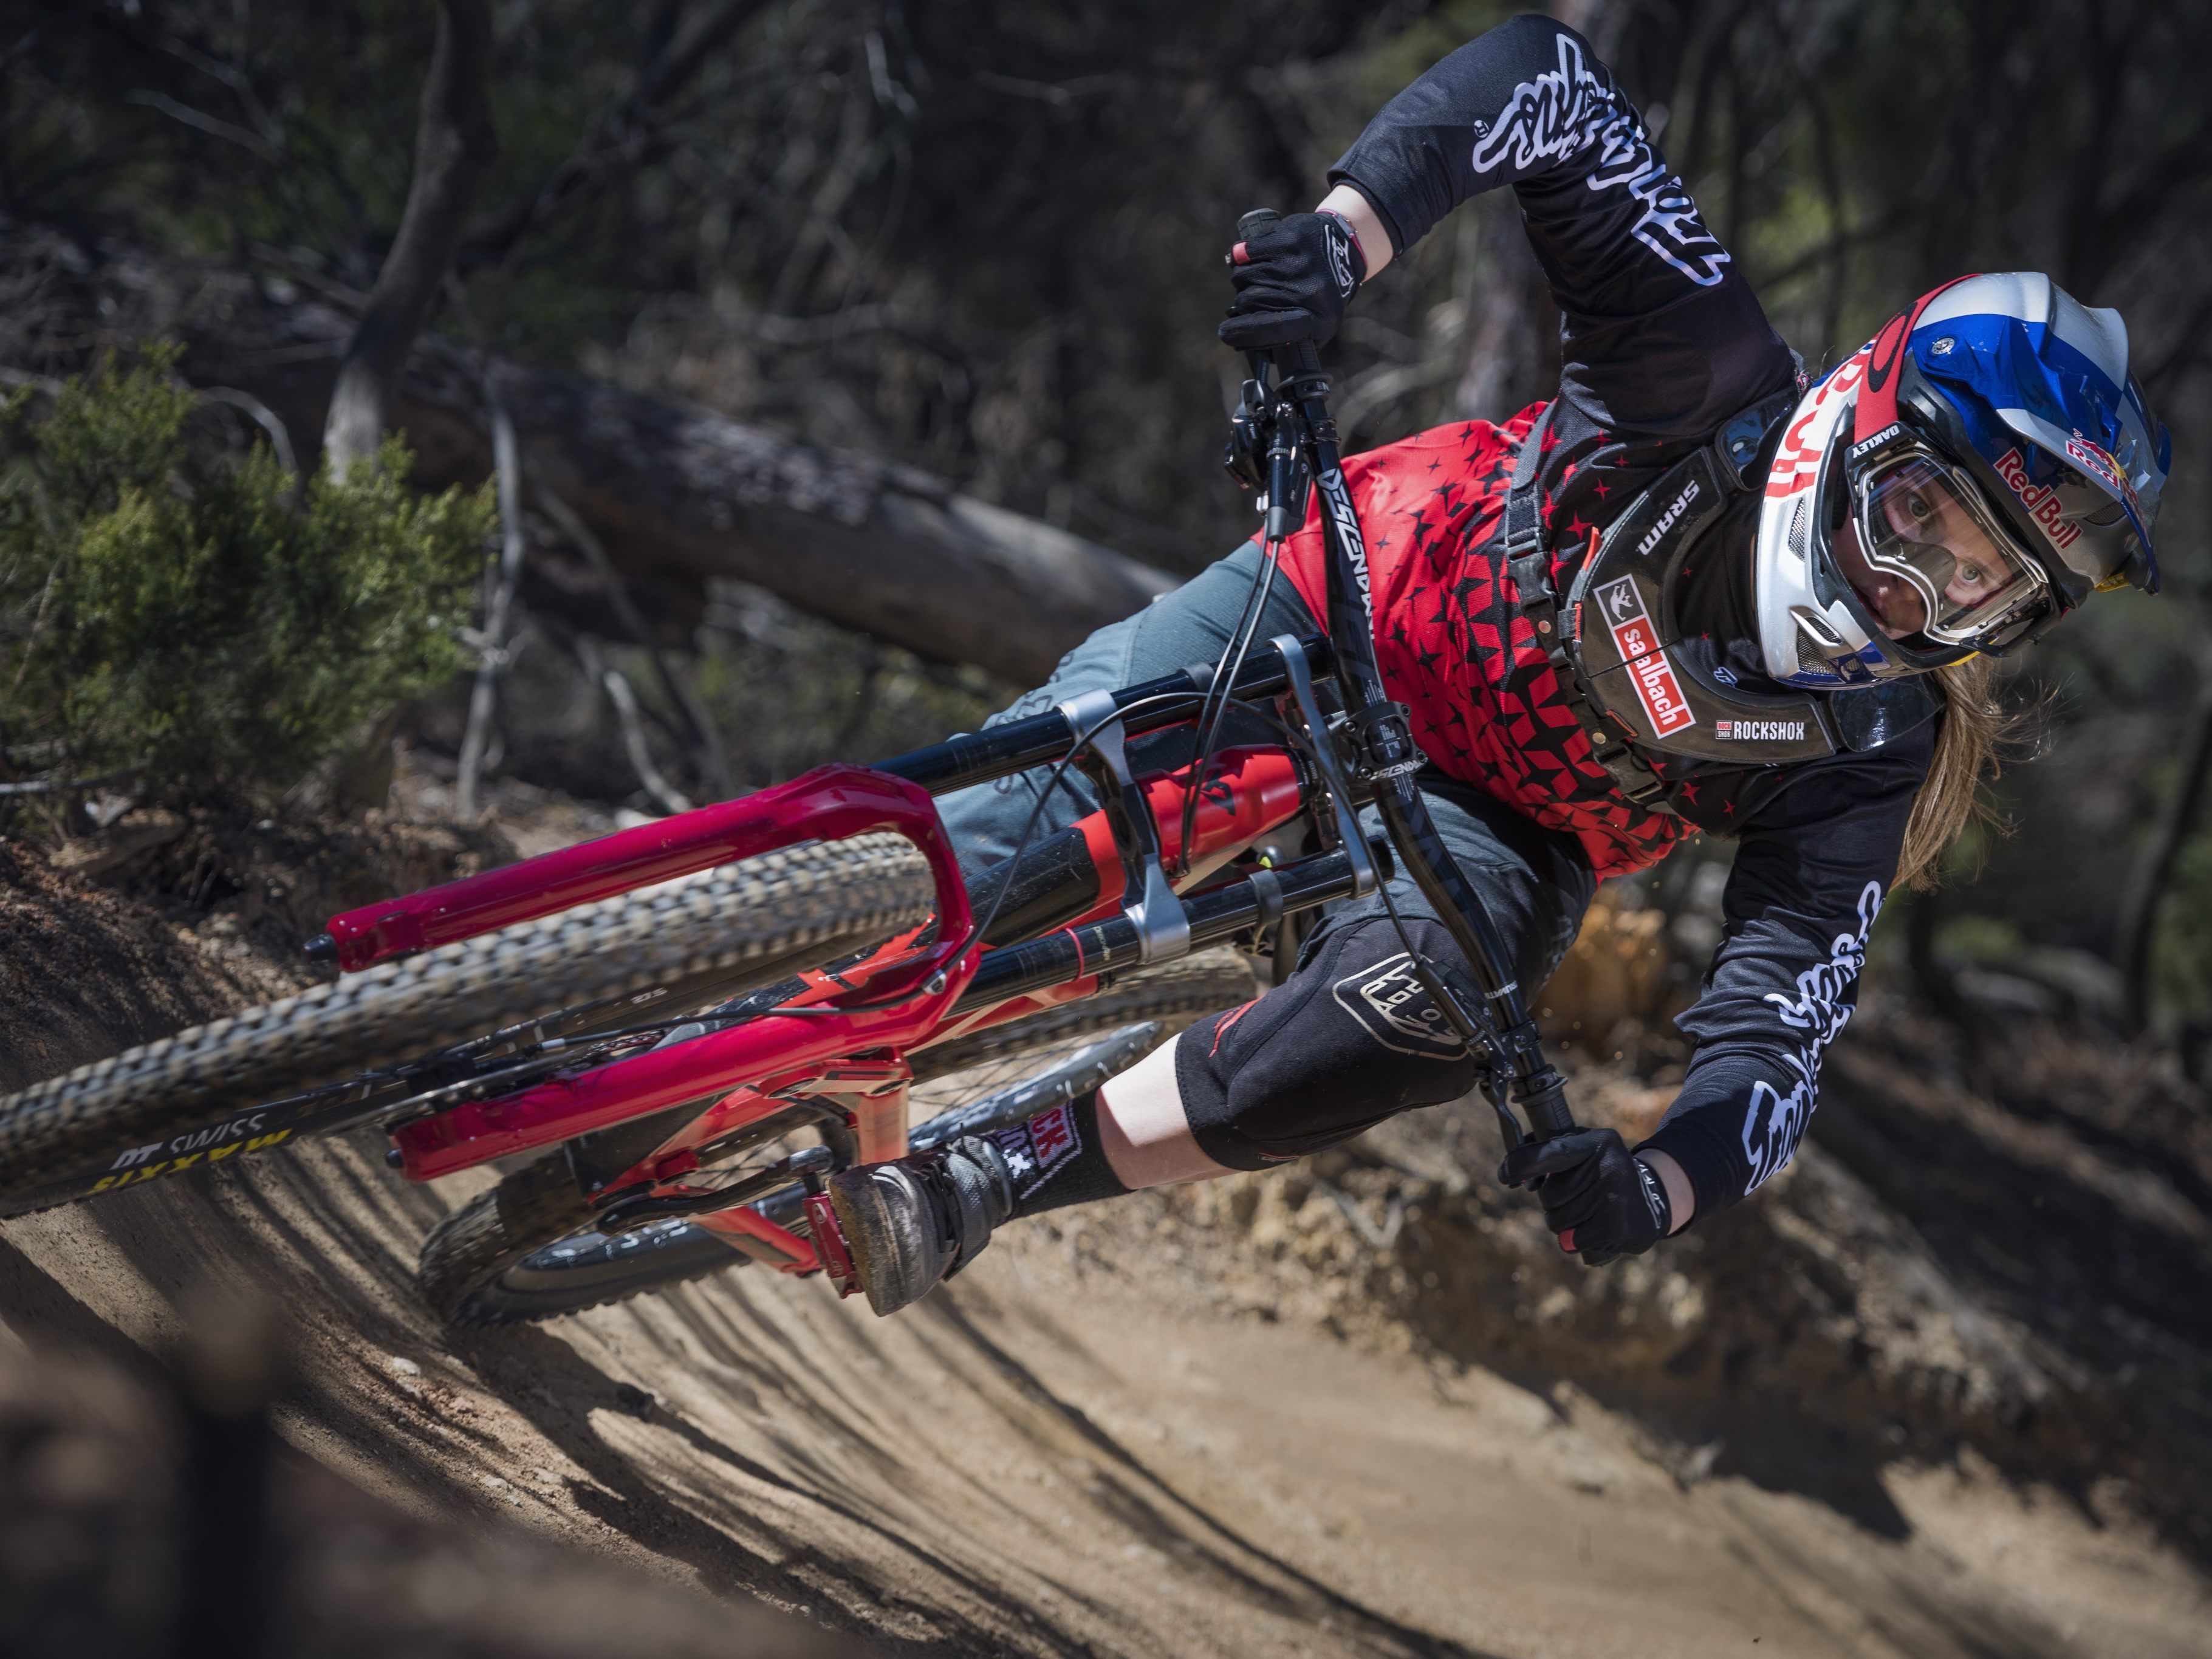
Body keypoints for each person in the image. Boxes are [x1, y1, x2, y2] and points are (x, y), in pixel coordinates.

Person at [818, 15, 2172, 1315]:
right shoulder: (1700, 369)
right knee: (1003, 839)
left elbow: (1777, 1045)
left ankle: (987, 1173)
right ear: (1864, 421)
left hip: (1496, 834)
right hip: (1348, 605)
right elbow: (1550, 83)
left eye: (1980, 581)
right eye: (1919, 515)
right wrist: (1343, 246)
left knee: (1431, 1010)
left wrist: (1658, 1186)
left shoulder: (1871, 750)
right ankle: (726, 984)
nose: (1913, 586)